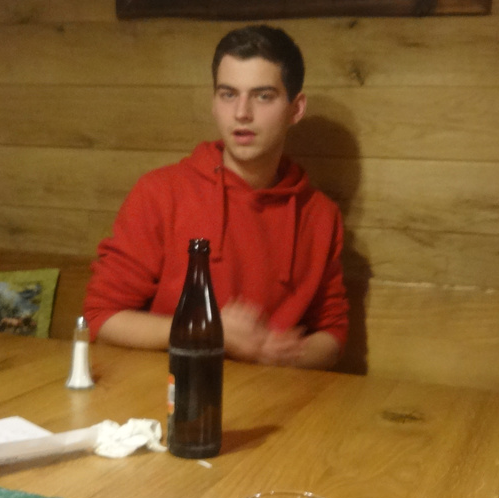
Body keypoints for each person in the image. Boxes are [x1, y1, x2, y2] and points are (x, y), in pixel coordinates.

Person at [82, 25, 349, 369]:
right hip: (167, 387)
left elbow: (332, 334)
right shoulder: (160, 192)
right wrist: (206, 331)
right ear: (214, 102)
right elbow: (101, 318)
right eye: (228, 94)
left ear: (295, 109)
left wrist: (276, 354)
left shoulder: (320, 215)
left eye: (263, 96)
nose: (242, 113)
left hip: (271, 390)